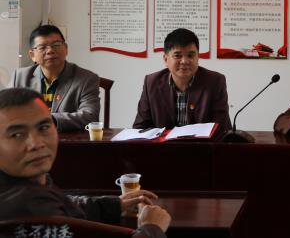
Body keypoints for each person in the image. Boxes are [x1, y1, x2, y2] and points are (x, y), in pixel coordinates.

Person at [0, 87, 171, 237]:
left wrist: (115, 204)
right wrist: (151, 228)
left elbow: (63, 203)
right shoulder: (29, 207)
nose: (36, 143)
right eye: (17, 134)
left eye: (43, 127)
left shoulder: (29, 182)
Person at [133, 28, 232, 130]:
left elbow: (222, 129)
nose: (184, 61)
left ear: (198, 58)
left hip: (202, 141)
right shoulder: (151, 83)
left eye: (190, 55)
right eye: (178, 56)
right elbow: (140, 128)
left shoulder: (215, 82)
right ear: (166, 59)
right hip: (163, 141)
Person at [12, 24, 100, 132]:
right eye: (42, 47)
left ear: (66, 48)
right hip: (29, 138)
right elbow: (5, 110)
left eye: (56, 44)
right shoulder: (19, 77)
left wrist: (49, 120)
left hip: (69, 140)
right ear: (32, 55)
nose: (50, 50)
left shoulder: (87, 79)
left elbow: (90, 116)